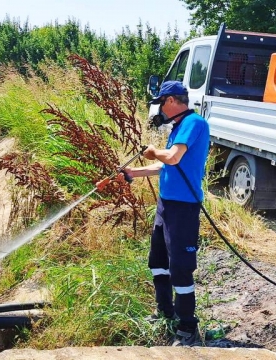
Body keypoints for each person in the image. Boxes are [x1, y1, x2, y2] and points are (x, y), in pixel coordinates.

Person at [123, 81, 210, 347]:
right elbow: (168, 167)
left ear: (172, 100)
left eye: (161, 102)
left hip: (184, 208)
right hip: (166, 205)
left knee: (181, 268)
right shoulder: (177, 127)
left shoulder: (194, 123)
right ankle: (165, 311)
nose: (159, 108)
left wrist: (153, 151)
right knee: (158, 261)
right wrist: (134, 172)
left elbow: (171, 158)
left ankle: (187, 327)